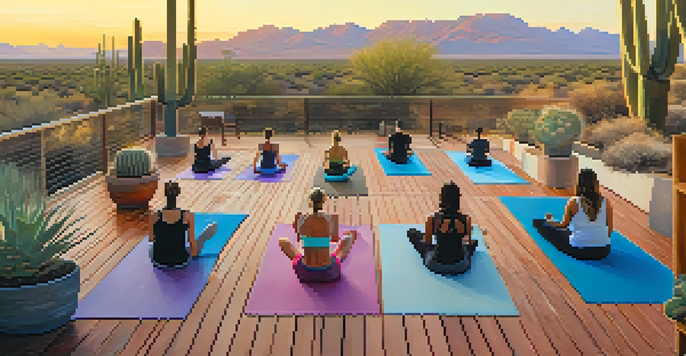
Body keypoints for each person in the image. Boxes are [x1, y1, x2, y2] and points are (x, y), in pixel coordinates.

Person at [278, 187, 358, 283]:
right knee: (346, 240)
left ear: (309, 201)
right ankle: (338, 251)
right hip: (329, 273)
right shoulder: (329, 219)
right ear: (323, 202)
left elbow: (300, 238)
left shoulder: (301, 219)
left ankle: (305, 258)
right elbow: (335, 240)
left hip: (304, 273)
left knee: (282, 241)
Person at [533, 169, 613, 260]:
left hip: (579, 250)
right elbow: (609, 230)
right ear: (596, 183)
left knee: (539, 224)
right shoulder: (606, 202)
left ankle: (545, 222)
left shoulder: (574, 202)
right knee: (570, 231)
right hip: (603, 251)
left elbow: (563, 225)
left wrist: (549, 221)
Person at [407, 181, 478, 275]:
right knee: (472, 244)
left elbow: (428, 242)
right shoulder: (466, 220)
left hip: (436, 264)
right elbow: (466, 241)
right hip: (460, 266)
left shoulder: (433, 219)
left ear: (441, 198)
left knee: (413, 234)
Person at [149, 181, 218, 268]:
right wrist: (194, 254)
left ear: (165, 194)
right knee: (211, 228)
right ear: (178, 193)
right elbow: (191, 241)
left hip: (158, 261)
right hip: (181, 261)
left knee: (152, 246)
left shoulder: (154, 216)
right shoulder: (187, 215)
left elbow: (151, 239)